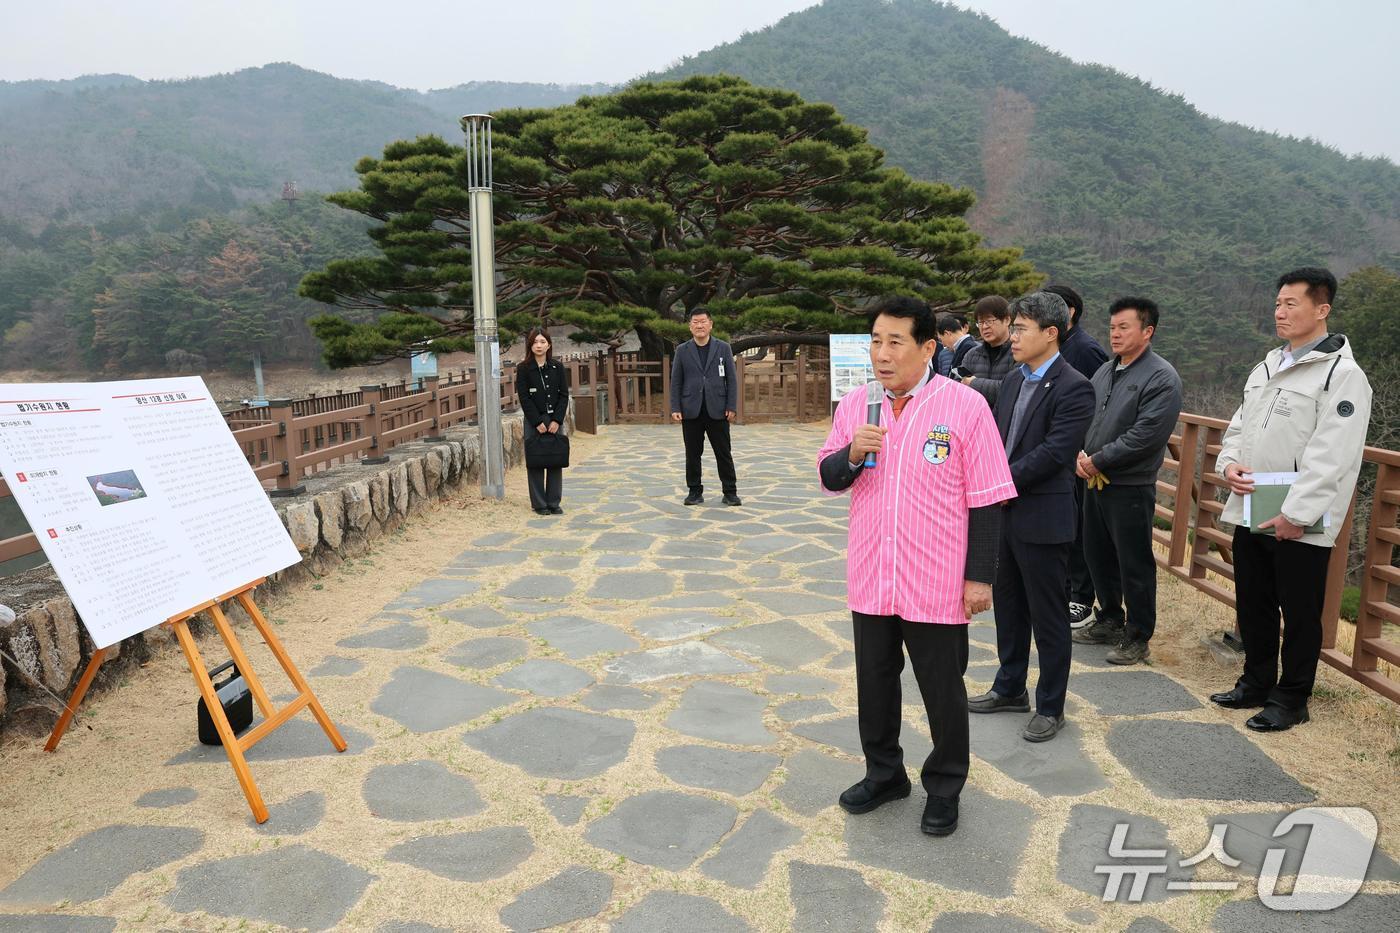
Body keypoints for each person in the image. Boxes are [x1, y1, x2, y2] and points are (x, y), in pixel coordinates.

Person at [818, 296, 1015, 837]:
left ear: (928, 346)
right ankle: (884, 775)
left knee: (942, 690)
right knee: (874, 685)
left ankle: (945, 786)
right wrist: (852, 454)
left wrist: (979, 576)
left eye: (895, 341)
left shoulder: (965, 407)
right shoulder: (856, 404)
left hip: (937, 581)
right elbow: (830, 476)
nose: (882, 354)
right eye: (875, 341)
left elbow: (988, 497)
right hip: (872, 577)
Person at [1210, 268, 1371, 731]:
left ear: (1322, 310)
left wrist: (1298, 513)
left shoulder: (1342, 375)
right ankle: (1255, 681)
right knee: (1253, 600)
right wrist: (1230, 465)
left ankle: (1292, 697)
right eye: (1278, 303)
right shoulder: (1268, 365)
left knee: (1300, 612)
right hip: (1254, 502)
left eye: (1291, 304)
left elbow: (1333, 455)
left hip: (1299, 514)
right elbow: (1239, 426)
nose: (1280, 312)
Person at [968, 291, 1094, 741]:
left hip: (1042, 516)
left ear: (1051, 333)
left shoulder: (1075, 385)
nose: (1013, 335)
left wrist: (998, 481)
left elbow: (1056, 453)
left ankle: (1051, 705)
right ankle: (1009, 687)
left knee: (1048, 616)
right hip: (1005, 515)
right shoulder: (1017, 380)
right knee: (1011, 608)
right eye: (1014, 327)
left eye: (1021, 328)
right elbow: (997, 439)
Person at [1072, 298, 1182, 664]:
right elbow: (1084, 413)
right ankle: (1108, 618)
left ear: (1147, 331)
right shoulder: (1106, 370)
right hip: (1093, 479)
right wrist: (1079, 453)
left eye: (1124, 327)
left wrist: (1097, 460)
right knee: (1097, 553)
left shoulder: (1161, 377)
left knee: (1133, 561)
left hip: (1129, 484)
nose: (1115, 334)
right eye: (1113, 327)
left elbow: (1146, 435)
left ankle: (1137, 633)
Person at [1044, 284, 1110, 630]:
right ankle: (1068, 590)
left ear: (1069, 311)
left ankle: (1081, 598)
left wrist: (1084, 451)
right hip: (1061, 452)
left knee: (1080, 528)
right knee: (1066, 526)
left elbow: (1093, 404)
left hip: (1080, 456)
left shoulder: (1085, 349)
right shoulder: (1059, 347)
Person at [670, 307, 741, 506]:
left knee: (723, 452)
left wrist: (731, 406)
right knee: (692, 453)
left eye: (703, 321)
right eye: (695, 322)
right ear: (690, 326)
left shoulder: (723, 347)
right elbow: (676, 381)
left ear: (711, 324)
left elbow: (732, 380)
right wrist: (675, 407)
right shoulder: (682, 350)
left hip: (717, 408)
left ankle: (730, 491)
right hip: (690, 408)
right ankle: (694, 491)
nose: (699, 325)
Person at [516, 328, 570, 515]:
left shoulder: (557, 367)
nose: (539, 345)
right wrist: (536, 421)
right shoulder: (523, 369)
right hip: (534, 421)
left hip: (554, 419)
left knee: (555, 459)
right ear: (530, 345)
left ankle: (554, 502)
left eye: (542, 342)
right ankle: (539, 504)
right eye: (535, 342)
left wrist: (557, 420)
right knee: (536, 460)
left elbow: (564, 395)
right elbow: (524, 397)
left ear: (549, 345)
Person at [955, 296, 1015, 407]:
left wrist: (973, 383)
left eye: (989, 321)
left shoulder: (1018, 352)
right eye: (980, 322)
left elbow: (1012, 390)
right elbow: (957, 388)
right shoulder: (971, 355)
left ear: (1007, 320)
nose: (984, 327)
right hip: (977, 421)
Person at [935, 312, 977, 377]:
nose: (943, 345)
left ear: (947, 333)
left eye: (941, 340)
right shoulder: (962, 347)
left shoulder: (969, 348)